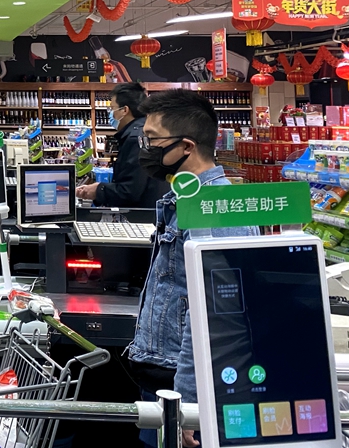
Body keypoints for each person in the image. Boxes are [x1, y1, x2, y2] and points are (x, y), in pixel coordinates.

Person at [124, 90, 257, 448]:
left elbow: (216, 315)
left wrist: (188, 401)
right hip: (164, 375)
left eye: (152, 139)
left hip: (180, 388)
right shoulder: (187, 200)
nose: (144, 148)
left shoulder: (211, 210)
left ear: (186, 146)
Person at [76, 83, 168, 208]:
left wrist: (98, 190)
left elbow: (130, 191)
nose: (110, 113)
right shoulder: (144, 132)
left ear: (124, 110)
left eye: (112, 108)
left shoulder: (135, 139)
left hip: (141, 214)